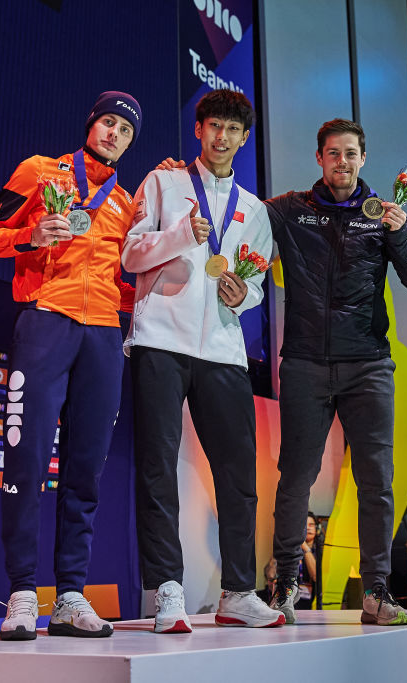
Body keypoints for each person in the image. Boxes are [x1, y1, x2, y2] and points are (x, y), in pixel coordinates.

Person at [0, 91, 143, 640]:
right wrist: (30, 235)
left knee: (86, 471)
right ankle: (22, 593)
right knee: (26, 461)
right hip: (46, 319)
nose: (115, 134)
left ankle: (70, 595)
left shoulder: (128, 202)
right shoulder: (40, 171)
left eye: (126, 130)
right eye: (109, 123)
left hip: (103, 336)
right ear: (91, 123)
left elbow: (132, 274)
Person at [122, 88, 282, 633]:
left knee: (238, 476)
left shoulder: (254, 209)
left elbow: (257, 279)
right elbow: (130, 255)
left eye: (234, 131)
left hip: (222, 350)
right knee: (157, 468)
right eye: (215, 126)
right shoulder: (163, 183)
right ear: (199, 129)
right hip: (160, 341)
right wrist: (176, 236)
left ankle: (239, 591)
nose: (222, 138)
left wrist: (246, 295)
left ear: (243, 138)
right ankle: (167, 588)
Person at [263, 118, 407, 627]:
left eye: (351, 154)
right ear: (319, 158)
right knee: (295, 478)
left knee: (376, 481)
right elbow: (232, 210)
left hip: (368, 367)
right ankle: (287, 586)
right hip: (305, 365)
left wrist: (400, 235)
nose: (342, 161)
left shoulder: (383, 215)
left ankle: (377, 591)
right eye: (333, 153)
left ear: (363, 159)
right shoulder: (290, 211)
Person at [295, 512, 319, 609]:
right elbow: (271, 574)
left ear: (317, 529)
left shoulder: (321, 550)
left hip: (314, 603)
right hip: (294, 602)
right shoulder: (293, 550)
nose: (308, 528)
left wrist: (304, 546)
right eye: (304, 525)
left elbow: (316, 576)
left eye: (311, 525)